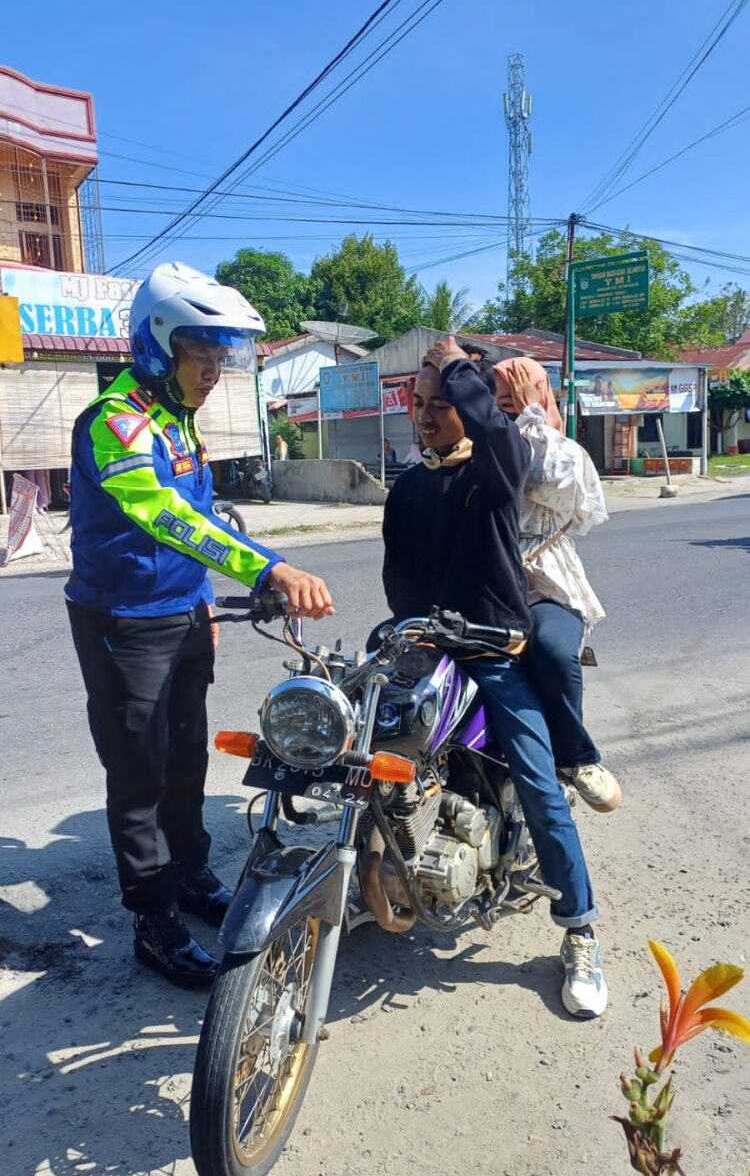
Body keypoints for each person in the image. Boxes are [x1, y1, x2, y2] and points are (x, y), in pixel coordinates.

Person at [65, 262, 334, 989]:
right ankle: (153, 919)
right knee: (139, 774)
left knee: (186, 761)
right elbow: (167, 516)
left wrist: (204, 608)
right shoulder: (114, 423)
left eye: (223, 356)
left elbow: (204, 520)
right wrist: (268, 568)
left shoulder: (179, 422)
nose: (214, 371)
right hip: (124, 622)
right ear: (158, 345)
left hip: (184, 614)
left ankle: (188, 875)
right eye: (202, 354)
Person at [381, 335, 607, 1018]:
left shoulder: (498, 468)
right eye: (418, 403)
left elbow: (496, 428)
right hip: (426, 644)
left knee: (540, 785)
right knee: (358, 745)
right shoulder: (409, 488)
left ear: (472, 408)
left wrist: (454, 362)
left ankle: (581, 927)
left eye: (443, 403)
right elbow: (401, 581)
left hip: (493, 649)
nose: (426, 415)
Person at [488, 356, 621, 813]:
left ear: (542, 398)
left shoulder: (564, 452)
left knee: (549, 648)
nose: (508, 411)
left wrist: (529, 416)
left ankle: (577, 758)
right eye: (499, 403)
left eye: (517, 400)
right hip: (483, 579)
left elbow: (540, 477)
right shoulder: (476, 443)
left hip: (543, 581)